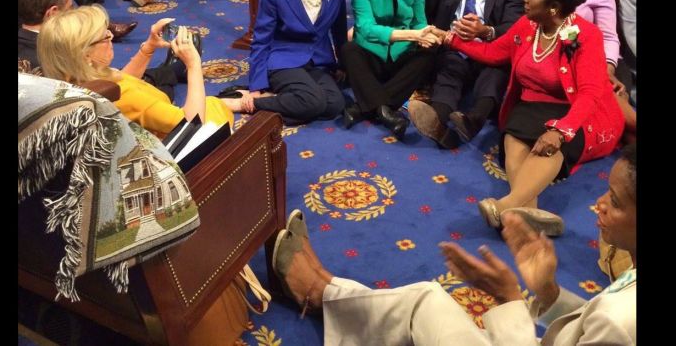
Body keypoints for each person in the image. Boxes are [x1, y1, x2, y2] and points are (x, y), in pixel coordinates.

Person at [269, 143, 636, 345]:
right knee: (427, 305)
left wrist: (511, 300)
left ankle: (319, 292)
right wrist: (551, 293)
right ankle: (328, 291)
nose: (598, 203)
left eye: (616, 202)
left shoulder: (619, 320)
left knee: (424, 304)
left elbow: (608, 323)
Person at [446, 0, 624, 234]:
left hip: (575, 112)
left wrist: (561, 131)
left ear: (553, 7)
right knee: (513, 136)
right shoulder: (527, 24)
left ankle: (507, 205)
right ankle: (529, 214)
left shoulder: (587, 35)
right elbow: (495, 52)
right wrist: (452, 40)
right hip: (530, 106)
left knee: (547, 145)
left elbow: (590, 94)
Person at [410, 0, 529, 148]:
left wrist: (484, 31)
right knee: (449, 70)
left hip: (489, 50)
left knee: (494, 73)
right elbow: (430, 13)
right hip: (455, 47)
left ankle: (474, 120)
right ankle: (438, 118)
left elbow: (515, 29)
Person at [38, 5, 233, 138]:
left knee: (213, 103)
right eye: (105, 37)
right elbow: (192, 125)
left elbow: (121, 79)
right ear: (84, 55)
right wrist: (193, 65)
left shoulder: (74, 78)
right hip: (168, 152)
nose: (111, 36)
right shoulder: (122, 96)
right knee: (215, 109)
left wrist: (148, 47)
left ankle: (236, 100)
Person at [223, 0, 348, 124]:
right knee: (313, 103)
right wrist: (256, 87)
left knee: (334, 105)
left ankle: (276, 98)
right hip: (284, 59)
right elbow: (261, 40)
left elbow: (339, 26)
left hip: (318, 60)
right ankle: (246, 103)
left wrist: (341, 63)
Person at [342, 0, 439, 139]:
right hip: (373, 53)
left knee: (431, 53)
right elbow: (366, 28)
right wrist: (414, 35)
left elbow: (419, 21)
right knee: (350, 49)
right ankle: (387, 112)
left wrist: (423, 37)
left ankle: (366, 107)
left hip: (402, 55)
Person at [19, 0, 184, 97]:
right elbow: (111, 90)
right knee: (155, 91)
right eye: (70, 7)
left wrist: (148, 48)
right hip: (94, 116)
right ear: (53, 13)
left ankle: (170, 70)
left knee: (148, 75)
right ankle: (174, 71)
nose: (75, 12)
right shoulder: (61, 52)